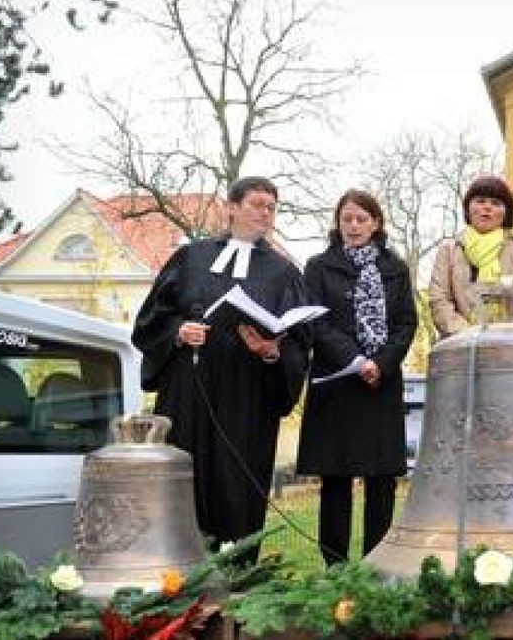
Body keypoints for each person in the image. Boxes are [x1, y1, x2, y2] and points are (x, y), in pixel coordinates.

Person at [131, 176, 310, 550]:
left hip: (247, 398)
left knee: (237, 486)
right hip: (188, 391)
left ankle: (238, 573)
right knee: (185, 478)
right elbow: (150, 320)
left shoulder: (284, 272)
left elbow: (297, 342)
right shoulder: (190, 257)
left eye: (272, 207)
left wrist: (270, 351)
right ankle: (177, 572)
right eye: (257, 204)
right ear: (231, 208)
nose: (266, 213)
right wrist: (180, 331)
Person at [297, 190, 418, 564]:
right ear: (338, 222)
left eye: (361, 219)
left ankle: (376, 563)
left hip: (379, 386)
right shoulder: (318, 267)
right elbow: (315, 320)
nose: (353, 226)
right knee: (337, 480)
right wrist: (353, 358)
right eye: (346, 219)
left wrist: (379, 363)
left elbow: (406, 322)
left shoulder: (395, 268)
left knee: (381, 481)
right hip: (337, 384)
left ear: (376, 224)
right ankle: (335, 566)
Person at [429, 175, 513, 336]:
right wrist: (469, 333)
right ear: (468, 208)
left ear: (507, 213)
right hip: (460, 342)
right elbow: (439, 299)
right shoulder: (449, 250)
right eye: (480, 201)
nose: (487, 207)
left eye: (496, 203)